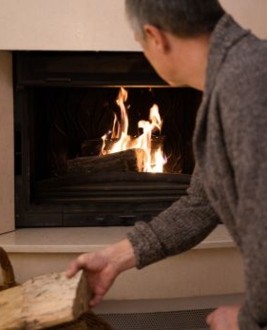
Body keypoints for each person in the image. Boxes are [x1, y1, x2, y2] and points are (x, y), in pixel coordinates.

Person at [66, 0, 267, 329]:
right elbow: (201, 203)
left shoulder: (245, 87)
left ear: (154, 37)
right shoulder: (235, 77)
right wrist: (115, 258)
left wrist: (249, 318)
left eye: (140, 43)